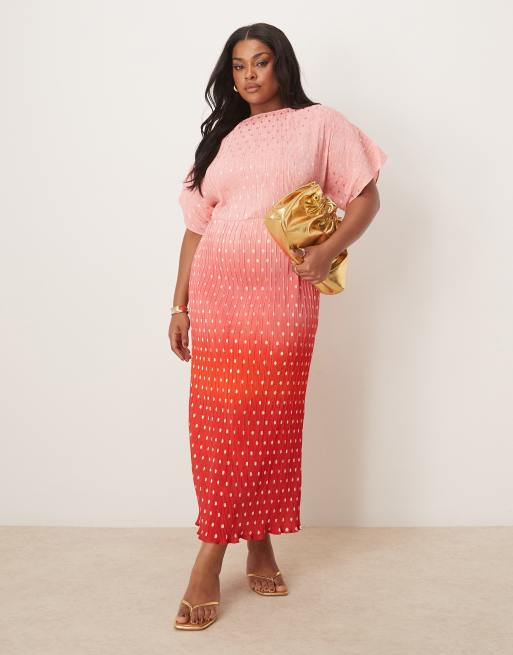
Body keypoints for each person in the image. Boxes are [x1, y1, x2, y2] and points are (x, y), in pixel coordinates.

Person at [168, 23, 388, 631]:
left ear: (281, 65)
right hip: (217, 294)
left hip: (281, 297)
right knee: (217, 423)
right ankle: (258, 541)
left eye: (260, 62)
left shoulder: (320, 124)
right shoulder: (222, 138)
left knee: (265, 417)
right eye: (238, 66)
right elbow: (196, 229)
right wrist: (178, 306)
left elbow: (366, 197)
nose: (249, 75)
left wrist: (327, 252)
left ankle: (209, 556)